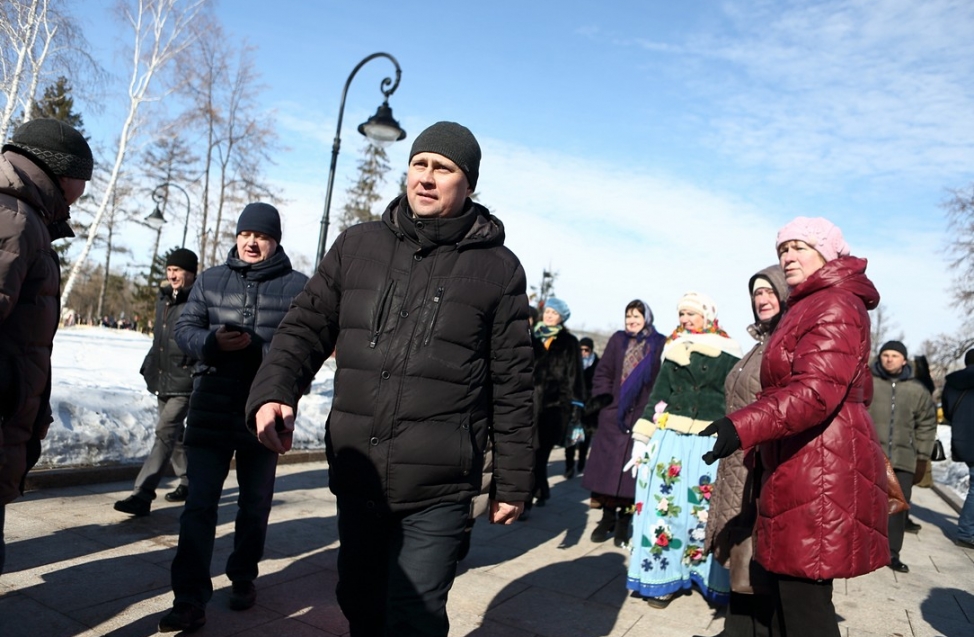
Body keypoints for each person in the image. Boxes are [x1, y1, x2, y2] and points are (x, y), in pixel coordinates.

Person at [243, 121, 535, 637]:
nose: (426, 177)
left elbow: (513, 382)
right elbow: (305, 327)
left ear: (467, 183)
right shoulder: (357, 245)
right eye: (419, 164)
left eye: (442, 168)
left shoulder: (499, 269)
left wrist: (512, 480)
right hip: (360, 472)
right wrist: (273, 392)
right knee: (358, 599)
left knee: (413, 617)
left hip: (439, 482)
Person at [702, 217, 888, 637]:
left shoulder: (835, 303)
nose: (787, 256)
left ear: (826, 253)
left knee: (804, 602)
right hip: (799, 459)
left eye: (799, 247)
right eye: (783, 249)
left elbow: (815, 391)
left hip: (819, 465)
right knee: (784, 592)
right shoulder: (810, 303)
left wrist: (742, 425)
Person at [157, 203, 308, 632]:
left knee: (254, 504)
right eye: (246, 234)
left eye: (261, 236)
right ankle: (188, 598)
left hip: (264, 413)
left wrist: (286, 385)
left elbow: (306, 347)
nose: (252, 242)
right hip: (210, 408)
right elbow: (183, 331)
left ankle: (243, 576)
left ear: (275, 241)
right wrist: (212, 342)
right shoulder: (209, 280)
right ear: (237, 236)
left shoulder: (298, 287)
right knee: (199, 506)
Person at [0, 118, 93, 575]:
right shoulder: (14, 219)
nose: (83, 192)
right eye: (83, 180)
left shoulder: (24, 217)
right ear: (60, 173)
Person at [625, 292, 741, 608]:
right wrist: (642, 438)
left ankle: (708, 578)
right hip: (671, 439)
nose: (686, 320)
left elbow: (737, 400)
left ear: (708, 315)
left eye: (692, 314)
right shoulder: (674, 349)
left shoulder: (731, 353)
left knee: (704, 508)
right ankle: (662, 578)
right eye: (682, 315)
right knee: (665, 508)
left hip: (709, 440)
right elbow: (658, 395)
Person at [703, 266, 788, 637]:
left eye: (770, 291)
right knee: (744, 546)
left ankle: (751, 629)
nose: (762, 299)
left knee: (759, 550)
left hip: (763, 462)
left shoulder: (786, 343)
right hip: (739, 461)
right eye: (756, 293)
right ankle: (738, 629)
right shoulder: (760, 343)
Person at [114, 249, 199, 517]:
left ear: (192, 273)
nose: (172, 274)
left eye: (179, 270)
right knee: (174, 436)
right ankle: (188, 482)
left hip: (185, 380)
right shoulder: (164, 299)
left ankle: (142, 493)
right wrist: (150, 364)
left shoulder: (199, 299)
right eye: (170, 269)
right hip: (163, 377)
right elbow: (159, 340)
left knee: (164, 432)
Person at [582, 300, 665, 547]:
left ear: (646, 318)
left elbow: (660, 379)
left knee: (632, 474)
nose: (631, 320)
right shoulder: (618, 340)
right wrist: (605, 400)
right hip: (613, 415)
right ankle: (606, 519)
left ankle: (622, 524)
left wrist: (654, 411)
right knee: (608, 473)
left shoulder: (658, 343)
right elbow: (603, 372)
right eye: (628, 315)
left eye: (637, 315)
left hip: (641, 416)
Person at [867, 340, 937, 573]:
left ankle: (891, 554)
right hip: (870, 455)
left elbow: (926, 425)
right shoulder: (868, 383)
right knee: (865, 504)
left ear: (904, 360)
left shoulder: (917, 389)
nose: (889, 359)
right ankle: (862, 548)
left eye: (894, 355)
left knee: (897, 508)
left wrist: (922, 457)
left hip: (903, 459)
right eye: (885, 354)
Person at [528, 297, 585, 513]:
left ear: (561, 318)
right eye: (548, 312)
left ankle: (529, 500)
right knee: (531, 455)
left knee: (540, 454)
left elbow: (575, 376)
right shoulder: (533, 336)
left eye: (555, 313)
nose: (550, 316)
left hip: (554, 408)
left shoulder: (568, 341)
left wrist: (575, 406)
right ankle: (541, 489)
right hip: (529, 405)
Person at [943, 348, 974, 550]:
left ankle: (967, 530)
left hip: (963, 439)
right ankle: (965, 532)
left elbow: (946, 411)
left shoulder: (953, 382)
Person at [564, 336, 598, 479]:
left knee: (585, 440)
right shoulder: (572, 363)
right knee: (570, 440)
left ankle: (582, 461)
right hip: (573, 406)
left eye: (586, 350)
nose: (583, 352)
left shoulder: (598, 364)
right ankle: (569, 467)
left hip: (589, 409)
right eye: (581, 349)